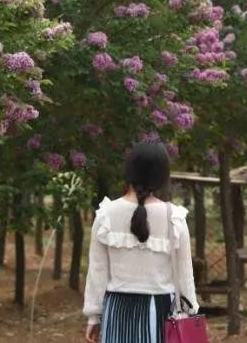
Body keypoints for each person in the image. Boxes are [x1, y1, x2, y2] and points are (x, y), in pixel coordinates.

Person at [83, 141, 199, 343]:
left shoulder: (106, 216)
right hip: (162, 312)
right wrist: (190, 313)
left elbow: (97, 271)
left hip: (117, 310)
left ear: (128, 171)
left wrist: (94, 316)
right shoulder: (175, 218)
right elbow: (184, 275)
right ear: (163, 177)